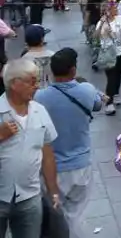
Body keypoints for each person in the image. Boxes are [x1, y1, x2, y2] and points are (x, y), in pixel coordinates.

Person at [34, 48, 103, 238]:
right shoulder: (87, 90)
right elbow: (98, 104)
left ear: (51, 72)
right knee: (76, 214)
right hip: (81, 166)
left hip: (51, 169)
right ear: (73, 70)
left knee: (57, 215)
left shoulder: (39, 98)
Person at [0, 58, 62, 236]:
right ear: (14, 84)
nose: (36, 86)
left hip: (30, 196)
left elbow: (47, 154)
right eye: (32, 81)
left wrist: (54, 192)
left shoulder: (39, 111)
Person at [98, 0, 121, 115]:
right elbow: (96, 36)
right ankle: (109, 103)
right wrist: (102, 23)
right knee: (111, 78)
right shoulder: (103, 23)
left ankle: (116, 94)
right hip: (109, 54)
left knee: (118, 75)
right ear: (108, 11)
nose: (116, 9)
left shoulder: (120, 19)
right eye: (114, 8)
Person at [20, 24, 54, 89]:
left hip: (32, 93)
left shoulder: (23, 60)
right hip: (51, 92)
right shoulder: (53, 55)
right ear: (42, 39)